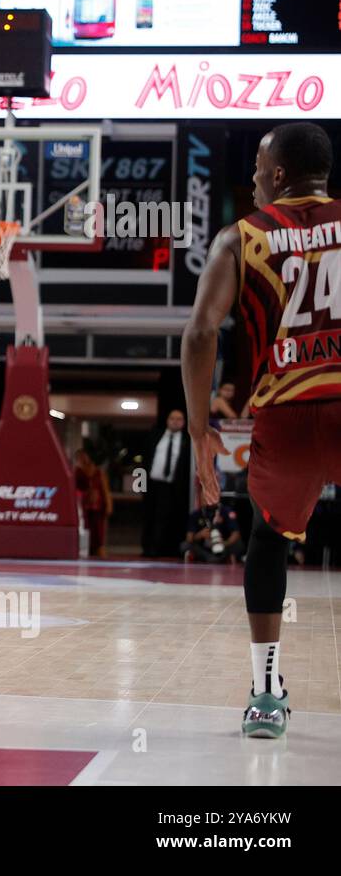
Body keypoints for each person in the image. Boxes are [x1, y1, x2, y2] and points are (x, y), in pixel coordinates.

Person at [182, 121, 340, 739]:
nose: (250, 177)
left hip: (288, 413)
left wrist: (200, 432)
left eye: (256, 166)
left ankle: (266, 695)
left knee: (269, 543)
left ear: (277, 175)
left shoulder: (240, 238)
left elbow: (199, 334)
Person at [141, 409, 190, 557]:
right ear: (167, 420)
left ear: (184, 422)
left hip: (174, 487)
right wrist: (141, 485)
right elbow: (144, 462)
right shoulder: (155, 436)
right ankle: (148, 549)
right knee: (150, 517)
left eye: (179, 419)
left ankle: (169, 550)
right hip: (152, 485)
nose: (175, 421)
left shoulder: (187, 440)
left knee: (171, 519)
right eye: (172, 418)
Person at [73, 449, 112, 557]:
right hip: (84, 507)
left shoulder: (99, 472)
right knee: (86, 530)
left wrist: (108, 504)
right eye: (80, 457)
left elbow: (105, 490)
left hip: (98, 507)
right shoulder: (77, 473)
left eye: (84, 456)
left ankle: (100, 552)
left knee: (98, 533)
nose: (83, 459)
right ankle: (86, 551)